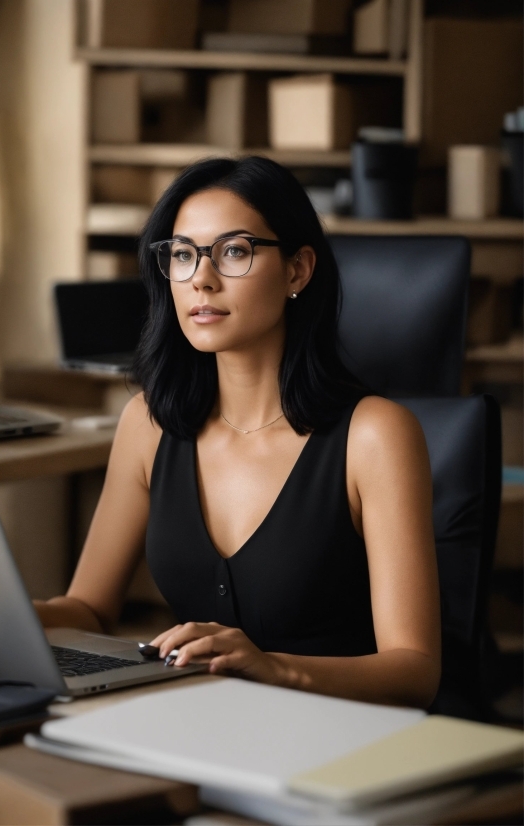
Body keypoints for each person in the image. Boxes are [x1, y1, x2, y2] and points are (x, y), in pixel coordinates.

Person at [35, 157, 440, 709]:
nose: (201, 277)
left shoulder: (376, 435)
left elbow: (415, 671)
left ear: (297, 270)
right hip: (198, 722)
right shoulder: (148, 422)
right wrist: (6, 616)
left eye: (234, 251)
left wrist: (276, 670)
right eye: (182, 255)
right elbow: (89, 609)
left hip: (338, 740)